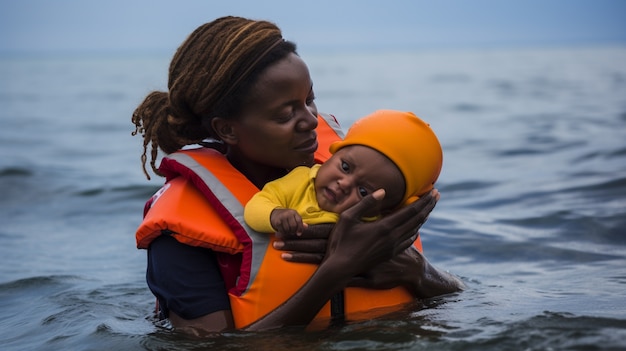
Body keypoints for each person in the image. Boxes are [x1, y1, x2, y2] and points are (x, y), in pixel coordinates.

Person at [131, 15, 463, 334]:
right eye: (285, 114)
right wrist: (338, 270)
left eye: (309, 99)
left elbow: (456, 296)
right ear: (227, 129)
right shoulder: (178, 238)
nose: (309, 121)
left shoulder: (350, 177)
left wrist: (417, 272)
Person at [244, 109, 443, 238]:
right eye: (345, 167)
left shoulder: (376, 229)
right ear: (333, 153)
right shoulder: (301, 181)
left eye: (364, 192)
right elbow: (255, 207)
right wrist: (276, 215)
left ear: (386, 210)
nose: (345, 184)